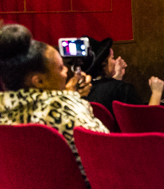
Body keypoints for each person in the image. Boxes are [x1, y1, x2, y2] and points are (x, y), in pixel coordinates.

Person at [0, 23, 109, 177]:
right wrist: (74, 100)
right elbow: (107, 154)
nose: (66, 71)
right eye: (60, 68)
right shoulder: (65, 109)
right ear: (39, 81)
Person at [84, 36, 164, 112]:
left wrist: (117, 78)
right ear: (103, 64)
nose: (115, 62)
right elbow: (146, 122)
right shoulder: (123, 89)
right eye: (112, 58)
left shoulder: (80, 90)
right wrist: (156, 92)